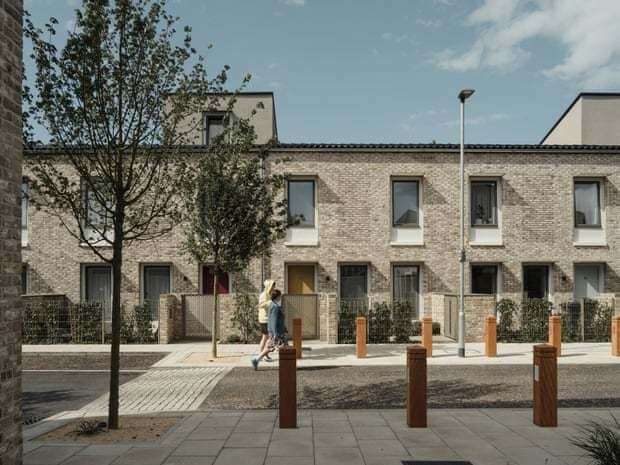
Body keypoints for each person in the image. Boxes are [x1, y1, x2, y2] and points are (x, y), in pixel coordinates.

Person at [252, 288, 287, 370]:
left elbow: (274, 319)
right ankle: (256, 360)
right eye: (280, 296)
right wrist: (274, 333)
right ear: (277, 297)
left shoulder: (273, 305)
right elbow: (273, 320)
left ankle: (256, 360)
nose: (280, 297)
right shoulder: (275, 307)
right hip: (277, 332)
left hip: (278, 331)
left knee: (273, 347)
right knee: (274, 347)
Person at [257, 279, 275, 361]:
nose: (273, 288)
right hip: (264, 319)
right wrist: (270, 303)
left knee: (267, 338)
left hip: (268, 319)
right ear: (268, 286)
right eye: (272, 286)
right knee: (265, 338)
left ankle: (264, 355)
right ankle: (261, 355)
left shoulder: (269, 294)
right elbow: (260, 305)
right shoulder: (263, 295)